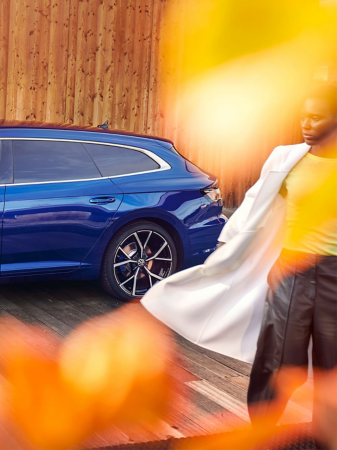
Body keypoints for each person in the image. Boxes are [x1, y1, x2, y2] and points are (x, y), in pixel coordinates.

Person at [141, 84, 337, 429]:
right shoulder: (286, 158)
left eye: (316, 117)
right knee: (277, 356)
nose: (306, 124)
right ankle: (261, 431)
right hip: (292, 270)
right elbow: (251, 207)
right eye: (302, 116)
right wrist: (227, 246)